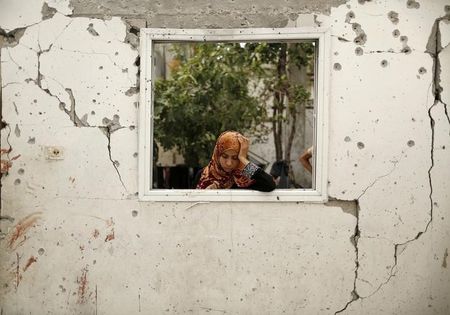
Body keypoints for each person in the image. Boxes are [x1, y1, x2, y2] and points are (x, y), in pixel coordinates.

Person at [195, 131, 275, 192]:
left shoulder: (244, 178)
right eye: (225, 156)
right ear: (217, 154)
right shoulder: (203, 175)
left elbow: (269, 184)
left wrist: (243, 158)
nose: (229, 163)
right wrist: (206, 193)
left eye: (235, 158)